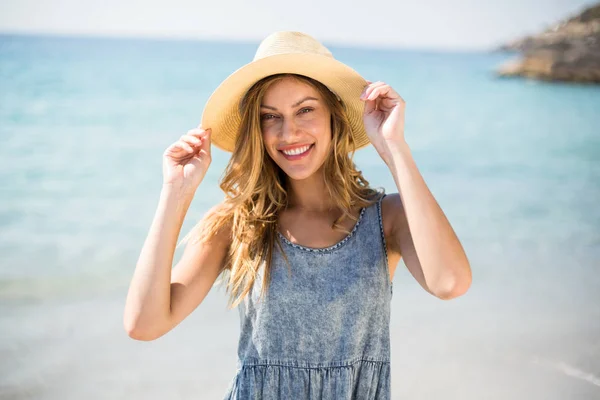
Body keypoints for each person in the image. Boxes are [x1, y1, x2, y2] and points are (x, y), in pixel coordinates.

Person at [124, 31, 471, 399]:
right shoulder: (239, 223)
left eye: (305, 110)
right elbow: (145, 324)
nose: (289, 132)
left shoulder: (386, 218)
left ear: (334, 116)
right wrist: (175, 193)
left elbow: (449, 283)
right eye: (270, 116)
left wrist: (394, 148)